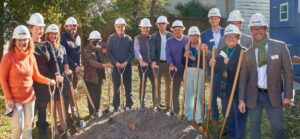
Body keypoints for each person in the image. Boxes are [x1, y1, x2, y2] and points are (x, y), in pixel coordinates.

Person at [238, 13, 293, 139]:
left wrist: (288, 95)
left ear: (266, 29)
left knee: (278, 128)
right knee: (254, 128)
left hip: (274, 95)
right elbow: (243, 77)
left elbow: (288, 72)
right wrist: (241, 99)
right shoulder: (248, 53)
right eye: (254, 28)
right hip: (254, 96)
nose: (258, 31)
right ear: (251, 31)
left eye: (261, 28)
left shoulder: (280, 47)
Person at [0, 25, 55, 139]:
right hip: (14, 100)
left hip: (30, 98)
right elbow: (3, 79)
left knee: (28, 128)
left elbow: (36, 76)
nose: (22, 42)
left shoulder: (30, 57)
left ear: (28, 41)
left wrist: (48, 81)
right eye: (19, 40)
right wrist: (8, 98)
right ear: (14, 41)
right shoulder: (8, 58)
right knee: (17, 129)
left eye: (24, 39)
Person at [27, 12, 62, 138]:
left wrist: (57, 74)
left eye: (41, 28)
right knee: (30, 112)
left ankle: (42, 134)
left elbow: (53, 62)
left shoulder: (47, 45)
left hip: (44, 83)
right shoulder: (26, 44)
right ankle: (26, 133)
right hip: (30, 84)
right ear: (31, 29)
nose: (39, 31)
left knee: (42, 110)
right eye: (36, 28)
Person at [211, 24, 247, 139]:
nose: (231, 39)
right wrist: (213, 64)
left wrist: (229, 62)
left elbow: (243, 71)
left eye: (233, 37)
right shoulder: (222, 50)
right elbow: (217, 70)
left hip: (237, 89)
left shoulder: (243, 52)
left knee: (238, 114)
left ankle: (238, 136)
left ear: (238, 38)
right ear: (225, 38)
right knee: (227, 112)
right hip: (224, 87)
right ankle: (230, 134)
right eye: (228, 37)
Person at [45, 24, 72, 135]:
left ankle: (63, 124)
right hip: (49, 80)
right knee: (52, 104)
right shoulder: (44, 48)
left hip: (60, 80)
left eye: (55, 33)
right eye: (51, 33)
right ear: (47, 35)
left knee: (60, 103)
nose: (53, 35)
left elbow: (65, 63)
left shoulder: (62, 48)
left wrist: (67, 70)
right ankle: (54, 127)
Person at [201, 8, 225, 126]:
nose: (214, 20)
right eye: (212, 18)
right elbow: (204, 52)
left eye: (216, 18)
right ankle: (215, 116)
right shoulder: (204, 34)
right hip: (212, 67)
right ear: (209, 20)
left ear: (219, 19)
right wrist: (205, 51)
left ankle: (226, 115)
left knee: (225, 92)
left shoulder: (226, 32)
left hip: (226, 67)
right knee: (213, 93)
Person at [107, 17, 134, 111]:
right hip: (116, 67)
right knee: (116, 88)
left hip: (127, 67)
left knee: (128, 87)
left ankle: (128, 106)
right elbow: (109, 53)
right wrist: (116, 63)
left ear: (124, 27)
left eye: (122, 27)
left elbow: (131, 53)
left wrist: (126, 62)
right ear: (115, 27)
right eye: (118, 27)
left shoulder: (129, 39)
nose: (120, 28)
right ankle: (116, 106)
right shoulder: (111, 38)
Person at [83, 31, 111, 118]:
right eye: (94, 40)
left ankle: (97, 110)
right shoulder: (86, 49)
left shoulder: (99, 49)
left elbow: (104, 58)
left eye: (98, 40)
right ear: (90, 40)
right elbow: (90, 62)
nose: (96, 41)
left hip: (99, 75)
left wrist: (106, 53)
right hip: (90, 76)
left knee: (98, 93)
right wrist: (103, 65)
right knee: (91, 95)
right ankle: (92, 113)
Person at [183, 26, 207, 125]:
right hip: (188, 71)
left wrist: (191, 56)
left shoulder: (202, 47)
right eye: (191, 36)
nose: (193, 38)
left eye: (195, 35)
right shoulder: (186, 46)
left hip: (199, 71)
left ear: (198, 36)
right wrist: (185, 54)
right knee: (188, 93)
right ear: (189, 37)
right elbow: (182, 61)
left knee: (198, 94)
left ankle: (199, 117)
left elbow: (201, 61)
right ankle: (188, 114)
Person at [150, 15, 173, 110]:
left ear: (166, 24)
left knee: (169, 85)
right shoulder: (154, 37)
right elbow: (152, 50)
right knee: (156, 84)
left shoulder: (171, 36)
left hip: (168, 63)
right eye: (159, 24)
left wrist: (172, 62)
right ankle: (156, 104)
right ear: (157, 25)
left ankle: (168, 104)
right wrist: (153, 61)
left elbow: (173, 50)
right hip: (158, 63)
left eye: (163, 23)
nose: (161, 25)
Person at [166, 20, 189, 114]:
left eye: (179, 30)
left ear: (183, 29)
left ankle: (188, 111)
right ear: (172, 31)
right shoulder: (169, 41)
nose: (177, 32)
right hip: (175, 69)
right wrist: (171, 64)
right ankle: (175, 111)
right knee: (175, 92)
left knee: (189, 91)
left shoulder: (188, 39)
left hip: (187, 69)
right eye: (175, 30)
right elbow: (168, 55)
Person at [134, 18, 155, 108]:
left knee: (155, 84)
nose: (145, 29)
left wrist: (154, 61)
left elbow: (155, 51)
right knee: (143, 84)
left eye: (147, 28)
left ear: (149, 28)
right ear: (141, 28)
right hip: (143, 65)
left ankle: (156, 103)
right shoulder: (137, 39)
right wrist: (141, 60)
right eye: (144, 28)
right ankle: (142, 104)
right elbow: (137, 50)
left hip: (152, 65)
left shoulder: (152, 38)